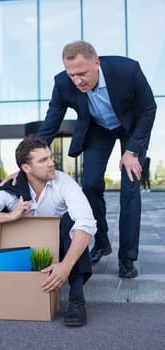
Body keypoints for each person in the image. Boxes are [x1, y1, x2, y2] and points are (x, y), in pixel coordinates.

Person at [0, 138, 96, 327]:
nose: (51, 163)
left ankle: (77, 298)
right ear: (26, 168)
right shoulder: (12, 189)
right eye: (43, 160)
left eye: (50, 157)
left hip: (57, 252)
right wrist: (10, 216)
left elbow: (87, 222)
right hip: (19, 252)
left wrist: (66, 265)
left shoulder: (63, 182)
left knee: (73, 221)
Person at [36, 40, 156, 278]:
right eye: (72, 75)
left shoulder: (127, 70)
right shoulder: (62, 84)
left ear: (96, 63)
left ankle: (127, 258)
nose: (77, 81)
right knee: (89, 184)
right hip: (98, 130)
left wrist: (132, 151)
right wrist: (28, 158)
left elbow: (148, 109)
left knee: (130, 186)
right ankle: (101, 242)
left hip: (131, 129)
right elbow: (50, 123)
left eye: (82, 73)